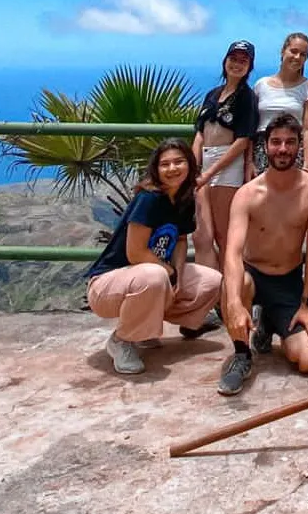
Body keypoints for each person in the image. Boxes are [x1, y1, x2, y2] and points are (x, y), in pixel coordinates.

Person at [85, 139, 222, 375]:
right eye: (165, 164)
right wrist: (168, 272)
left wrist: (177, 273)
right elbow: (135, 253)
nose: (172, 169)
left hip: (151, 277)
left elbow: (179, 240)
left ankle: (144, 329)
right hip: (106, 286)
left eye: (179, 162)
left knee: (212, 281)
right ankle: (122, 340)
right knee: (155, 274)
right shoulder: (149, 199)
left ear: (189, 164)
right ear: (155, 169)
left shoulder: (184, 198)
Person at [216, 113, 308, 396]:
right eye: (276, 142)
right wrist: (233, 303)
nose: (282, 149)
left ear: (299, 148)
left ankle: (267, 321)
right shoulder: (248, 194)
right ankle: (242, 355)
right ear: (265, 146)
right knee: (237, 284)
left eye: (290, 142)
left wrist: (307, 303)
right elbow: (232, 252)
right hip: (252, 274)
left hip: (288, 281)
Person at [191, 40, 258, 272]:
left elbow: (242, 140)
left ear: (249, 66)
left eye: (243, 61)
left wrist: (210, 172)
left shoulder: (246, 98)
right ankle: (206, 292)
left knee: (223, 235)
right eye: (233, 58)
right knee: (202, 236)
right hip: (205, 161)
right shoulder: (213, 94)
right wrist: (194, 166)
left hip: (227, 165)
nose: (237, 64)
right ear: (225, 60)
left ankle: (227, 293)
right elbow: (200, 133)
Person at [250, 32, 308, 180]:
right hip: (262, 149)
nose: (297, 57)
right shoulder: (261, 85)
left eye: (303, 54)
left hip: (292, 149)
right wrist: (249, 161)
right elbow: (252, 124)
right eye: (293, 51)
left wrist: (307, 165)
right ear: (283, 51)